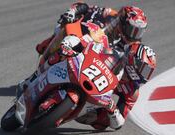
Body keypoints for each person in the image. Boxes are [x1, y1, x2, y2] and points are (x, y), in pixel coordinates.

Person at [19, 2, 157, 130]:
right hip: (88, 41)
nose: (135, 35)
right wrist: (72, 12)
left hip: (100, 91)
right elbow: (84, 7)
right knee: (65, 35)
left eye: (139, 32)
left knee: (102, 122)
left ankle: (72, 110)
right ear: (123, 22)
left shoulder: (132, 88)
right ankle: (38, 72)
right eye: (132, 30)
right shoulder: (109, 14)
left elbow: (119, 122)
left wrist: (112, 110)